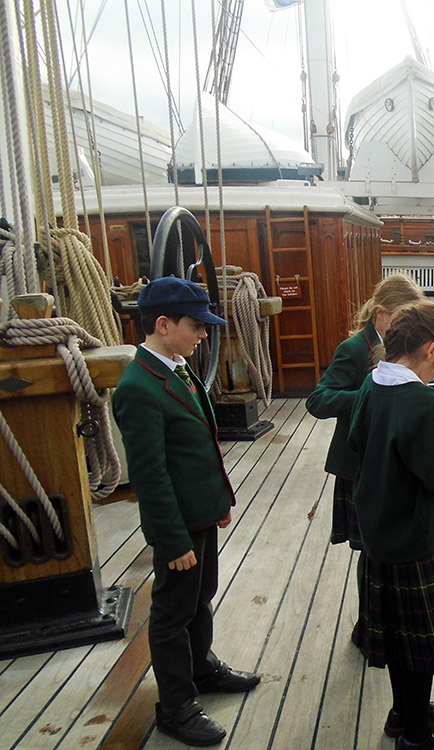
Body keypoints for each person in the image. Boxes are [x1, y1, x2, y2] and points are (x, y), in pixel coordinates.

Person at [112, 277, 261, 746]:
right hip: (176, 524)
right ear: (163, 324)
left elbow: (198, 445)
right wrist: (172, 540)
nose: (203, 335)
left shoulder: (177, 367)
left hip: (199, 512)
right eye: (196, 326)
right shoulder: (139, 387)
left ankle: (202, 668)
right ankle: (175, 704)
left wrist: (217, 504)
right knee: (173, 612)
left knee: (201, 594)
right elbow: (151, 477)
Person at [347, 300, 434, 750]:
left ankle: (404, 712)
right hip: (415, 540)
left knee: (396, 638)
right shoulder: (423, 404)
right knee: (421, 647)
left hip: (378, 533)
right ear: (430, 349)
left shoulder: (373, 385)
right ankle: (417, 737)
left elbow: (361, 438)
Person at [305, 273, 426, 647]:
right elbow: (319, 400)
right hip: (361, 467)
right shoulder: (355, 350)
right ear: (380, 314)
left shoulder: (400, 347)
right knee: (373, 552)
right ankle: (368, 628)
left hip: (390, 464)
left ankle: (379, 624)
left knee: (383, 551)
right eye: (403, 317)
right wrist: (367, 395)